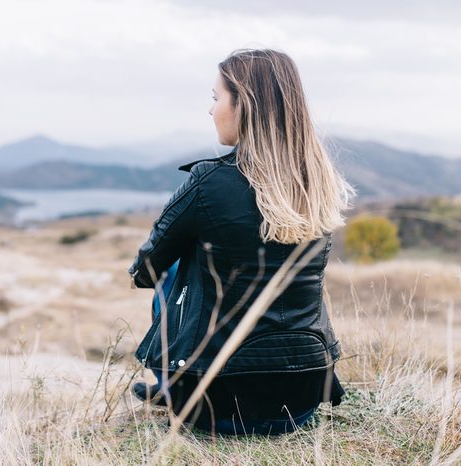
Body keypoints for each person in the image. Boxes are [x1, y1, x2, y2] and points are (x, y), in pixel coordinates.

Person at [128, 48, 355, 435]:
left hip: (218, 405)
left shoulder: (208, 182)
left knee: (174, 275)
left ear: (243, 105)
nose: (211, 110)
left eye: (216, 98)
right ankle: (173, 383)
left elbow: (147, 271)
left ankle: (172, 382)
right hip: (301, 400)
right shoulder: (318, 182)